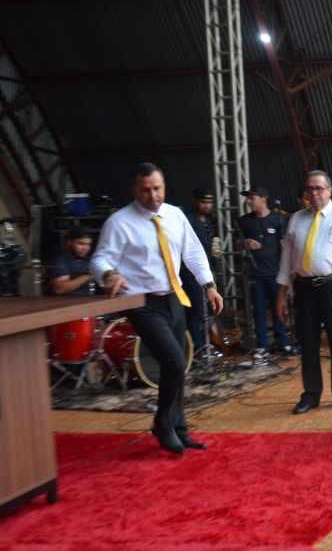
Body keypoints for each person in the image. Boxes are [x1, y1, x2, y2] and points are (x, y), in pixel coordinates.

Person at [91, 163, 223, 453]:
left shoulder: (175, 215)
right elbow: (99, 259)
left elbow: (193, 252)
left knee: (177, 366)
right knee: (174, 362)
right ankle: (163, 424)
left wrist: (209, 285)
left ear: (164, 187)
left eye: (157, 188)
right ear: (134, 190)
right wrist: (110, 274)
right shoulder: (119, 222)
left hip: (174, 298)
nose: (152, 195)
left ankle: (179, 427)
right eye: (145, 190)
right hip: (142, 303)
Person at [278, 171, 332, 414]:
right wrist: (281, 294)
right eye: (310, 189)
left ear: (330, 190)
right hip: (305, 288)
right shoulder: (296, 219)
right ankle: (311, 395)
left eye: (319, 188)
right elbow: (286, 260)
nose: (314, 193)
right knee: (308, 342)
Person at [237, 185, 291, 359]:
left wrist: (287, 270)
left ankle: (282, 343)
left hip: (275, 273)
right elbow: (236, 244)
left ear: (263, 199)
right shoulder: (244, 221)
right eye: (248, 198)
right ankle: (263, 346)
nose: (249, 201)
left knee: (279, 309)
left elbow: (284, 245)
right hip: (255, 274)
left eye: (252, 198)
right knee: (258, 310)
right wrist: (247, 243)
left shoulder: (277, 219)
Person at [180, 187, 218, 354]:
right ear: (195, 200)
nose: (207, 206)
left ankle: (205, 345)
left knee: (207, 311)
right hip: (190, 274)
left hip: (208, 271)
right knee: (195, 312)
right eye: (203, 201)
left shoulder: (210, 221)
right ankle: (197, 350)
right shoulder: (187, 219)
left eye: (210, 202)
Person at [47, 226, 95, 296]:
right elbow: (59, 289)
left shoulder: (89, 260)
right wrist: (87, 276)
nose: (85, 248)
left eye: (89, 245)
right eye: (81, 244)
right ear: (69, 242)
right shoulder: (60, 260)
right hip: (66, 303)